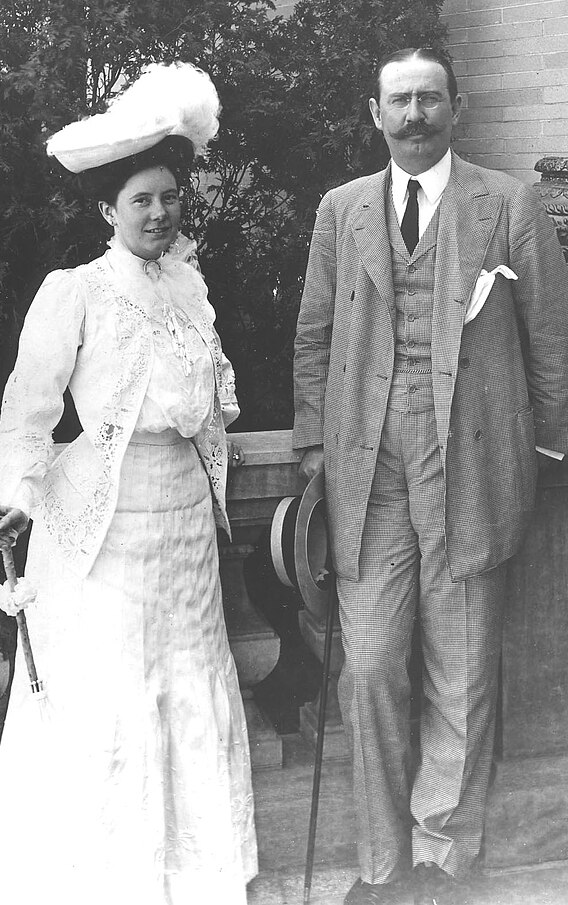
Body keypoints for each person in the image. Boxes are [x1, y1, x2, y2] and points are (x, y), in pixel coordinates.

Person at [0, 62, 257, 905]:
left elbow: (208, 410)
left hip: (183, 535)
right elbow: (28, 409)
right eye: (141, 200)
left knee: (187, 684)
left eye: (169, 197)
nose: (159, 212)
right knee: (115, 699)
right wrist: (10, 496)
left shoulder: (190, 290)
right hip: (105, 539)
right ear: (107, 210)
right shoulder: (77, 293)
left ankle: (193, 875)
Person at [293, 46, 568, 905]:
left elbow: (550, 342)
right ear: (375, 115)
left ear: (456, 111)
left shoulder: (509, 204)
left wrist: (547, 457)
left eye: (430, 100)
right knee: (369, 667)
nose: (415, 115)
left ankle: (442, 861)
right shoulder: (340, 211)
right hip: (366, 472)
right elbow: (311, 338)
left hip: (472, 467)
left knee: (463, 672)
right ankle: (381, 866)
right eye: (399, 101)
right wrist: (312, 454)